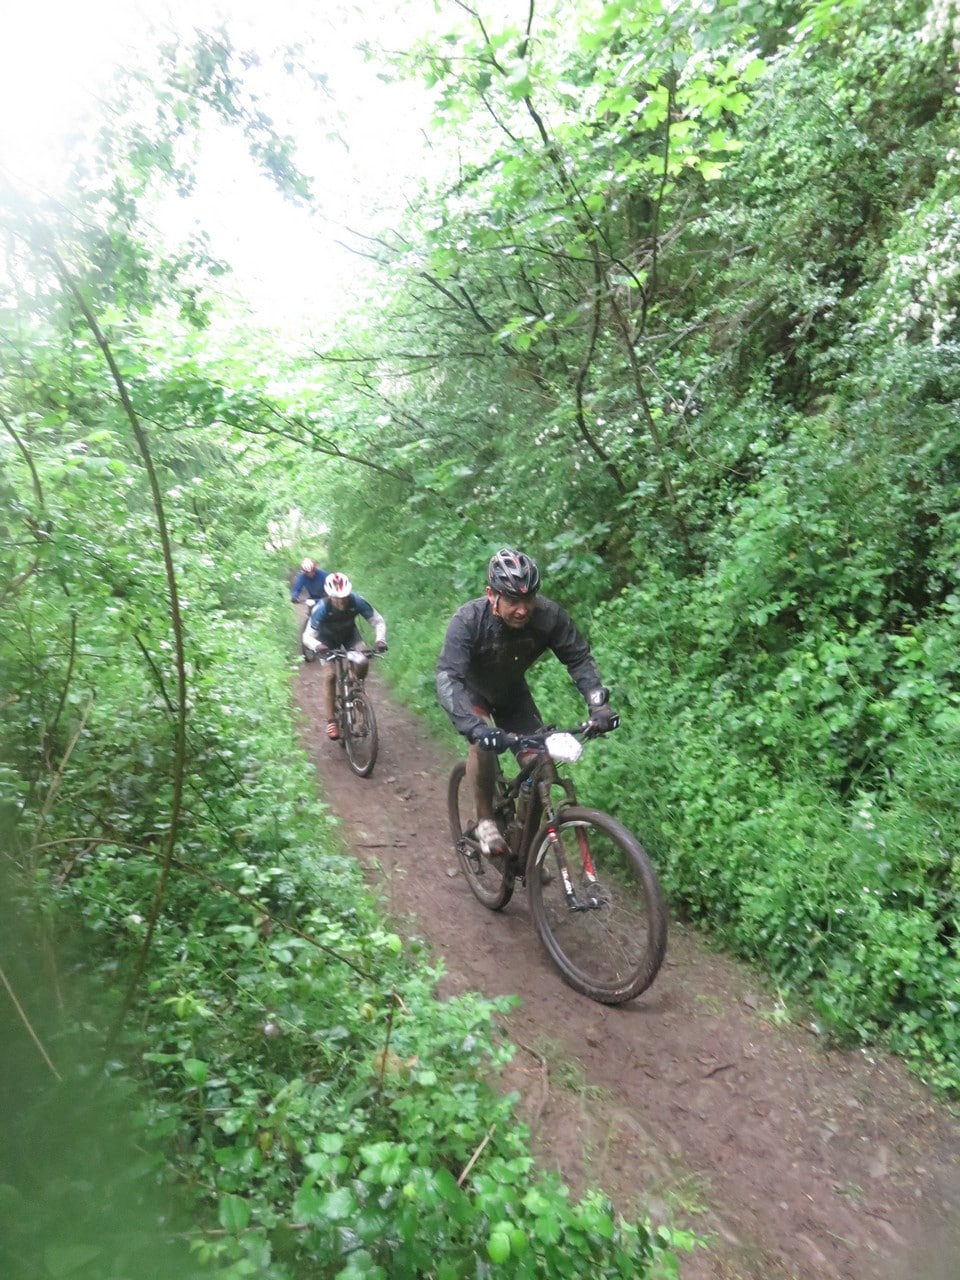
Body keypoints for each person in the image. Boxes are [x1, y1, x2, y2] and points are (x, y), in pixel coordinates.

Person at [436, 547, 617, 855]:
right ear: (491, 595)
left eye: (529, 599)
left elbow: (578, 658)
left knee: (538, 765)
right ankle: (485, 822)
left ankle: (525, 856)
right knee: (482, 745)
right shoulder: (468, 621)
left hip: (512, 696)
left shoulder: (548, 616)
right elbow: (447, 677)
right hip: (472, 694)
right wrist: (474, 727)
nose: (523, 610)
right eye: (512, 601)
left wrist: (597, 704)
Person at [303, 572, 388, 739]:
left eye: (344, 597)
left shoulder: (357, 601)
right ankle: (331, 721)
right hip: (325, 640)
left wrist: (380, 640)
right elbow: (307, 636)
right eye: (337, 598)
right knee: (330, 676)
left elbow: (377, 621)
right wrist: (318, 646)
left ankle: (356, 688)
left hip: (349, 635)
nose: (341, 601)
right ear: (329, 595)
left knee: (363, 661)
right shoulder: (322, 608)